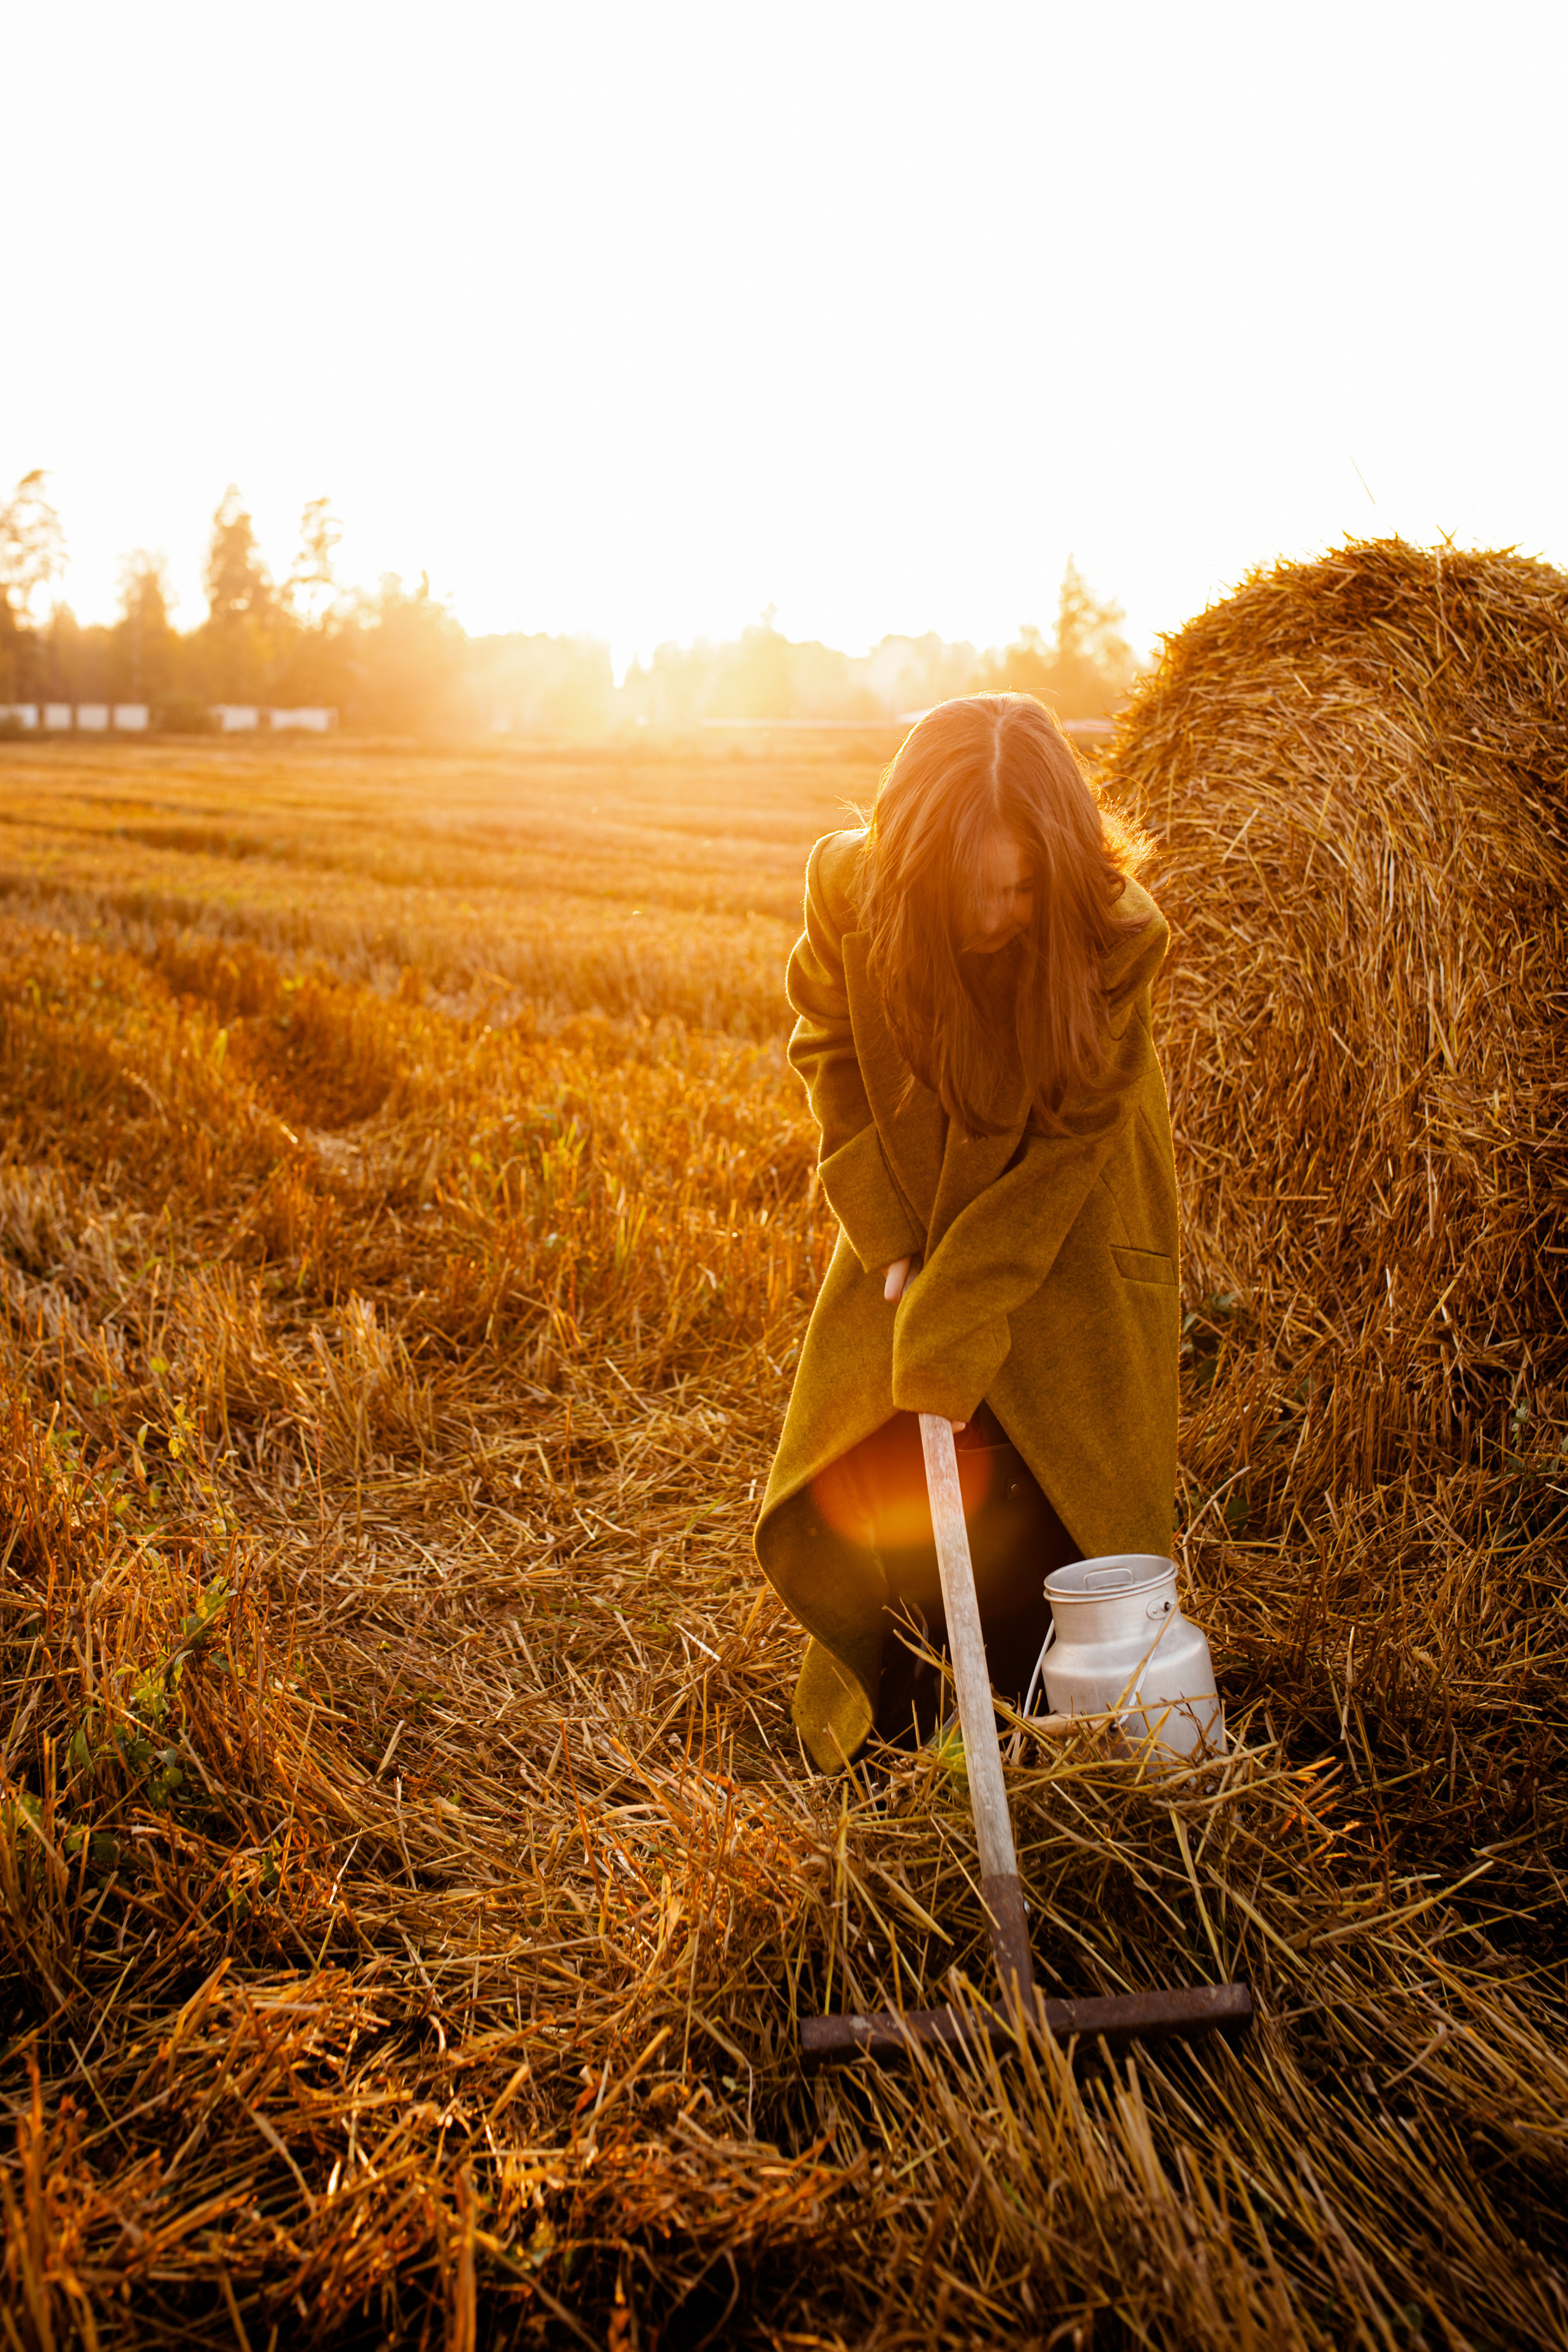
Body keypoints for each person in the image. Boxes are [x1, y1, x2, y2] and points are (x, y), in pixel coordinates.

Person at [753, 693, 1180, 1771]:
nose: (995, 918)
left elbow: (1057, 1169)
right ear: (913, 870)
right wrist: (888, 1233)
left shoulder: (1116, 936)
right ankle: (907, 1722)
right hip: (915, 1195)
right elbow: (828, 1045)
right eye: (970, 891)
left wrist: (952, 1325)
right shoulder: (850, 887)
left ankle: (1054, 1726)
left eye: (1021, 889)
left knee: (1052, 1478)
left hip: (1071, 1220)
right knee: (882, 1452)